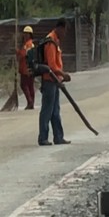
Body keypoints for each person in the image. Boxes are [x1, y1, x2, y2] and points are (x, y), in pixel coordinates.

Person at [39, 18, 71, 146]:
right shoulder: (50, 42)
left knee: (55, 110)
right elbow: (51, 65)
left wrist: (61, 77)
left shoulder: (55, 41)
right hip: (49, 80)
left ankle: (58, 137)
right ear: (60, 28)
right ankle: (42, 138)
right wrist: (63, 74)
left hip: (55, 80)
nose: (65, 34)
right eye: (65, 31)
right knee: (47, 110)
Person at [16, 26, 35, 110]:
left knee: (24, 85)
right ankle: (31, 102)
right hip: (28, 68)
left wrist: (18, 52)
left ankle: (30, 101)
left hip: (26, 68)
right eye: (24, 33)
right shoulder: (28, 44)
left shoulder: (29, 44)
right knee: (30, 85)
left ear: (30, 35)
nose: (25, 35)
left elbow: (24, 55)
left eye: (27, 34)